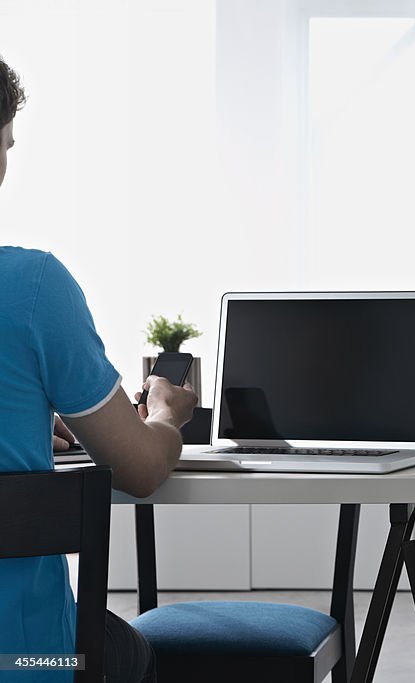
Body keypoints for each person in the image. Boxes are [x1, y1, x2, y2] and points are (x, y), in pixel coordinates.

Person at [0, 56, 197, 682]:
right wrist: (166, 414)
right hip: (24, 660)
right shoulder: (31, 288)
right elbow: (140, 469)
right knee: (128, 650)